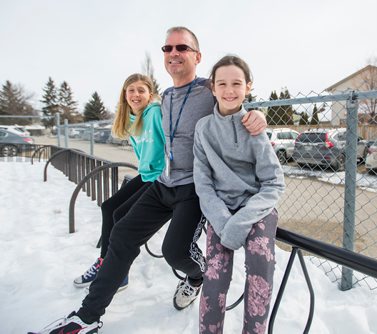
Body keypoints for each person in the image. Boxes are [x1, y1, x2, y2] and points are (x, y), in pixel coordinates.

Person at [28, 27, 267, 334]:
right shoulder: (165, 97)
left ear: (197, 56)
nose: (174, 53)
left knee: (175, 252)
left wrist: (256, 114)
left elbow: (234, 100)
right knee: (121, 233)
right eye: (167, 48)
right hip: (162, 184)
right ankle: (87, 317)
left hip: (195, 188)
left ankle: (198, 276)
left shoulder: (209, 89)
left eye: (182, 47)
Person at [194, 55, 285, 333]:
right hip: (220, 209)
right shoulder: (204, 129)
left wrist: (241, 221)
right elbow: (203, 183)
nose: (229, 90)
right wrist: (223, 222)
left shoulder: (253, 127)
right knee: (214, 276)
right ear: (212, 87)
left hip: (255, 208)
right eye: (222, 83)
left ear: (248, 86)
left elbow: (274, 182)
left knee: (260, 265)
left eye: (236, 83)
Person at [73, 73, 166, 292]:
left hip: (162, 177)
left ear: (149, 95)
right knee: (108, 207)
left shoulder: (155, 113)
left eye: (141, 90)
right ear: (125, 95)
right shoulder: (129, 120)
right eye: (131, 90)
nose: (136, 94)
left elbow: (171, 142)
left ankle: (118, 273)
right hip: (146, 175)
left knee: (120, 216)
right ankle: (105, 263)